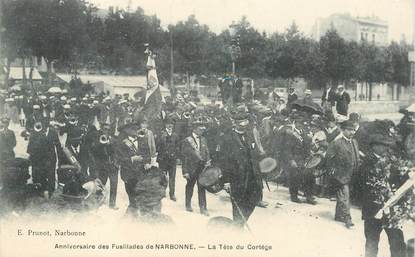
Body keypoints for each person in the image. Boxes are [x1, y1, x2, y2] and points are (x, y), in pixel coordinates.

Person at [361, 139, 408, 257]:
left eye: (388, 146)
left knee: (397, 241)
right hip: (373, 209)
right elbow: (361, 184)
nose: (387, 149)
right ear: (374, 146)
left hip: (391, 210)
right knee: (372, 241)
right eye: (383, 145)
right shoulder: (367, 162)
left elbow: (401, 182)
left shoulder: (394, 163)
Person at [220, 111, 263, 227]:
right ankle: (238, 228)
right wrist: (226, 181)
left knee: (252, 201)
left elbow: (256, 154)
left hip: (252, 177)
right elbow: (224, 161)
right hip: (236, 178)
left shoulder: (250, 135)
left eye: (245, 122)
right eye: (241, 123)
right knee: (238, 204)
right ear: (235, 123)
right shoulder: (227, 138)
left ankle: (239, 224)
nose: (244, 125)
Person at [325, 120, 360, 228]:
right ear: (342, 130)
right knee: (345, 196)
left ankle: (338, 215)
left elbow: (356, 156)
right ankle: (347, 218)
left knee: (343, 196)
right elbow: (328, 158)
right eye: (349, 130)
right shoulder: (336, 143)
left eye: (353, 130)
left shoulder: (354, 142)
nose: (352, 132)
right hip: (340, 175)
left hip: (352, 174)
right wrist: (333, 172)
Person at [182, 117, 210, 216]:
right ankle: (188, 204)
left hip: (202, 168)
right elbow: (184, 157)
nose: (202, 130)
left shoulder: (204, 139)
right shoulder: (187, 140)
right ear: (194, 129)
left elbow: (207, 152)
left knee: (202, 187)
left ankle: (203, 208)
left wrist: (208, 161)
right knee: (190, 186)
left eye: (203, 128)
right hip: (191, 168)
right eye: (200, 128)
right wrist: (185, 171)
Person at [27, 120, 62, 198]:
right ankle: (41, 191)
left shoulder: (53, 132)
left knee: (51, 175)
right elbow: (29, 147)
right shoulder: (36, 132)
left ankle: (51, 192)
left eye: (45, 126)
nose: (44, 128)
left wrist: (60, 159)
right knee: (40, 174)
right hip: (40, 158)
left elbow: (58, 146)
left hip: (51, 158)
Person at [90, 123, 119, 209]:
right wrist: (100, 144)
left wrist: (110, 143)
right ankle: (97, 202)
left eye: (108, 129)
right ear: (102, 130)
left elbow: (117, 152)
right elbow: (94, 151)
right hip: (103, 167)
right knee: (101, 185)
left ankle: (112, 204)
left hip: (113, 166)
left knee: (114, 185)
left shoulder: (113, 140)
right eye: (105, 129)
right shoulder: (97, 140)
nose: (106, 131)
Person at [157, 118, 180, 201]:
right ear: (165, 125)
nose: (170, 125)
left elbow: (178, 147)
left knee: (172, 177)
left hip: (172, 160)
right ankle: (161, 192)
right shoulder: (161, 134)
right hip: (163, 159)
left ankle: (172, 194)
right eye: (168, 124)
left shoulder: (175, 135)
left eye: (172, 124)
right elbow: (158, 146)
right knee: (162, 176)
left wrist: (177, 156)